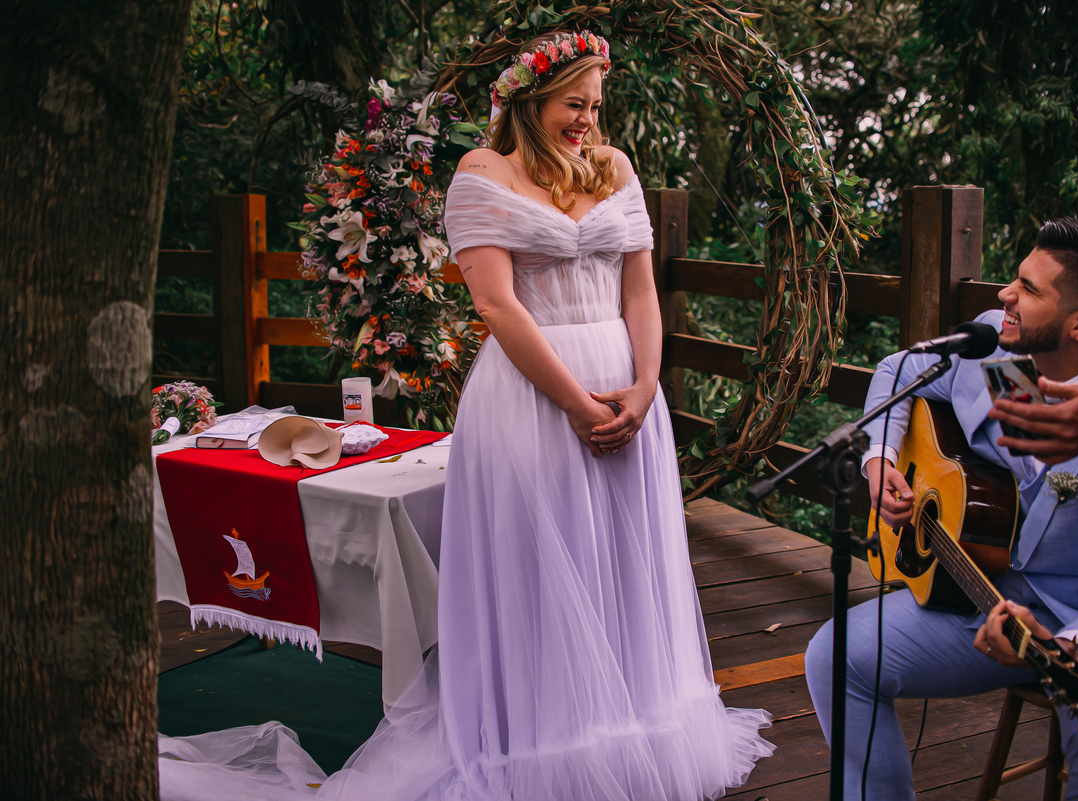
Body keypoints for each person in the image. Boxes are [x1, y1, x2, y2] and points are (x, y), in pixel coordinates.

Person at [157, 30, 773, 801]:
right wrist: (578, 403)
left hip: (628, 395)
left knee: (623, 557)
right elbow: (495, 304)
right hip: (532, 402)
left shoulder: (615, 168)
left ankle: (636, 727)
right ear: (529, 100)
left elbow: (641, 290)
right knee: (547, 568)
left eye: (594, 106)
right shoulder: (483, 172)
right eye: (572, 105)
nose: (587, 121)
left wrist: (647, 386)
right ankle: (542, 746)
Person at [805, 218, 1078, 800]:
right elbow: (899, 371)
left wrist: (1076, 648)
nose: (1003, 297)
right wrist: (879, 461)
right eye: (1016, 278)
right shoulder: (999, 345)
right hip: (984, 588)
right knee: (834, 658)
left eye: (1029, 290)